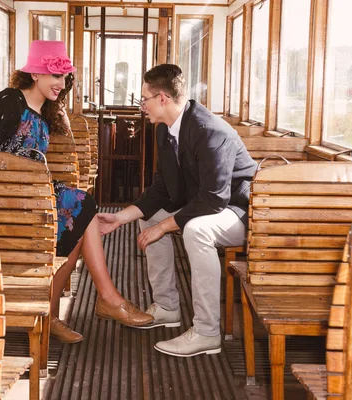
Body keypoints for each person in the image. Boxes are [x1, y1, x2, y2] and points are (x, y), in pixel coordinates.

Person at [0, 40, 153, 343]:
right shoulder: (11, 99)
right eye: (54, 76)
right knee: (83, 206)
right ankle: (104, 300)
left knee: (81, 218)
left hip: (33, 196)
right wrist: (15, 178)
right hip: (6, 198)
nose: (61, 83)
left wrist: (60, 109)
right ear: (34, 75)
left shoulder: (45, 111)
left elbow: (63, 140)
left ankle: (59, 313)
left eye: (65, 77)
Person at [98, 64, 257, 357]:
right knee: (151, 217)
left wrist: (165, 226)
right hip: (211, 204)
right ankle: (168, 307)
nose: (141, 106)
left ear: (162, 99)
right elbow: (162, 189)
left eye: (143, 99)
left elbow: (214, 199)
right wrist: (121, 217)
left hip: (242, 211)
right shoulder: (165, 130)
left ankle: (207, 332)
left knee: (196, 230)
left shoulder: (209, 131)